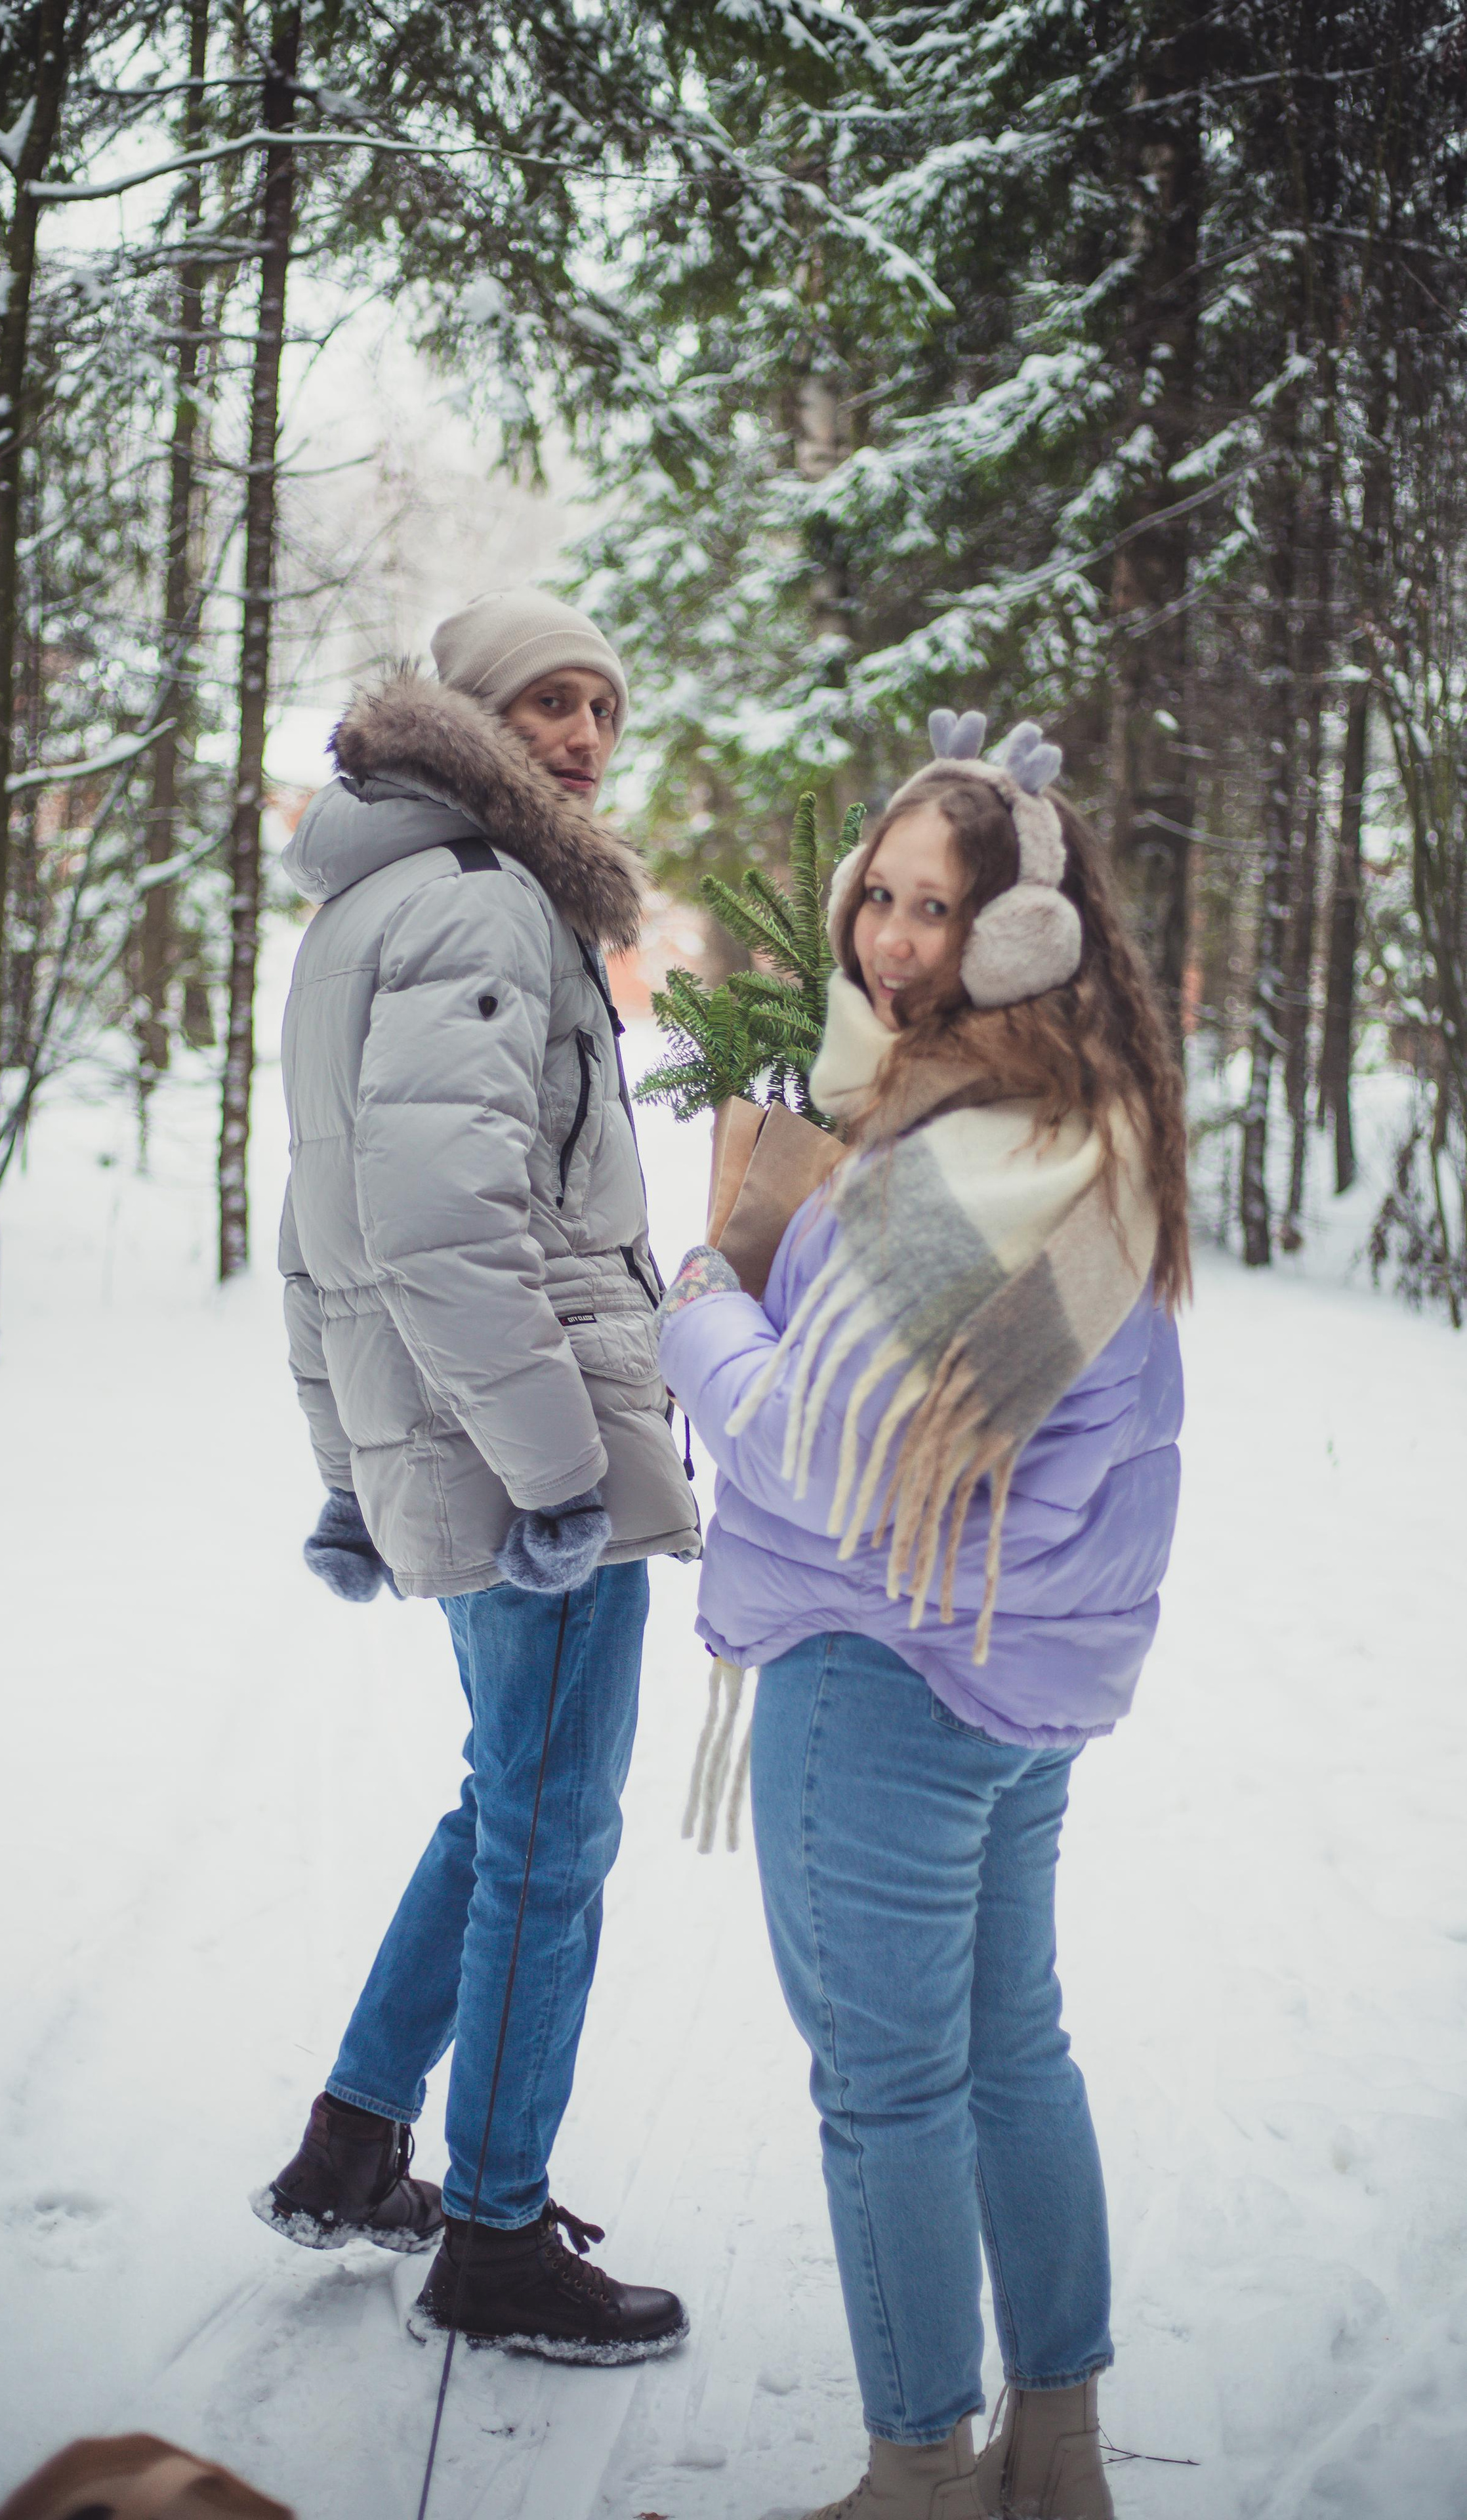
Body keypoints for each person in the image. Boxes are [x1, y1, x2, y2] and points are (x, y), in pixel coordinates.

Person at [657, 711, 1188, 2519]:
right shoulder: (1071, 1131)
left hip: (877, 1683)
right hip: (1007, 1693)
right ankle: (1058, 2455)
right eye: (875, 898)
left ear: (1024, 934)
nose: (890, 941)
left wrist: (704, 1308)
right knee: (1011, 2051)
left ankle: (917, 2479)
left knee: (889, 2091)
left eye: (938, 909)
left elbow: (822, 1445)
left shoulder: (961, 1162)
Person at [257, 589, 699, 2366]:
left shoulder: (387, 898)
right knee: (550, 1839)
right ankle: (499, 2237)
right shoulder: (481, 910)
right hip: (530, 1448)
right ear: (471, 719)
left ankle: (356, 2144)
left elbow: (321, 1231)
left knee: (504, 1800)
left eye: (604, 702)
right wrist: (557, 1471)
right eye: (548, 702)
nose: (584, 734)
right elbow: (438, 1232)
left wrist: (350, 1464)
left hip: (449, 1431)